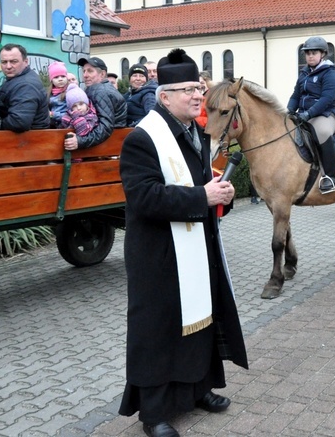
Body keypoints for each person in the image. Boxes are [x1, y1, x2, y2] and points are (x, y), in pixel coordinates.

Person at [118, 48, 248, 437]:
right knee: (159, 330)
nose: (197, 95)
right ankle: (154, 415)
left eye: (199, 87)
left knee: (199, 320)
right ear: (164, 97)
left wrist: (222, 194)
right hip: (157, 253)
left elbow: (201, 185)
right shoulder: (142, 139)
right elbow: (144, 198)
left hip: (193, 242)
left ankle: (198, 389)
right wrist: (202, 198)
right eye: (188, 89)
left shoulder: (193, 132)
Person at [286, 36, 335, 194]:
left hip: (325, 114)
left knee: (322, 132)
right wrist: (289, 111)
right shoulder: (304, 74)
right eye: (307, 53)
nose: (310, 56)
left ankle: (330, 177)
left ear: (323, 54)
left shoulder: (330, 73)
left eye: (314, 53)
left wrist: (309, 113)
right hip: (304, 114)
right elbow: (295, 96)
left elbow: (326, 99)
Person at [64, 56, 127, 151]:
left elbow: (105, 127)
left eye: (90, 71)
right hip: (106, 147)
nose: (85, 75)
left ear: (102, 74)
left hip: (104, 149)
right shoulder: (99, 89)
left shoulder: (100, 91)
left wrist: (80, 141)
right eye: (84, 71)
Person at [0, 44, 50, 132]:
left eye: (14, 61)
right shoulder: (16, 79)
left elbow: (19, 122)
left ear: (25, 62)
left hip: (30, 142)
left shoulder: (26, 85)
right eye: (4, 62)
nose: (8, 66)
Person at [47, 62, 70, 128]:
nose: (60, 79)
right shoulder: (50, 94)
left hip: (65, 126)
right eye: (56, 77)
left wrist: (52, 114)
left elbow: (70, 115)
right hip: (53, 126)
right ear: (51, 80)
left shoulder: (70, 93)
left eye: (63, 76)